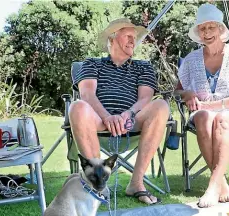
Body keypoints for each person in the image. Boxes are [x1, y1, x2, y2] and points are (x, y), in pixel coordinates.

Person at [69, 18, 169, 205]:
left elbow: (145, 99)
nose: (133, 40)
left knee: (161, 105)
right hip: (98, 121)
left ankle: (136, 183)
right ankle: (97, 185)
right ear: (112, 39)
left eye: (135, 37)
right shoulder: (92, 63)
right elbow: (87, 93)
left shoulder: (143, 66)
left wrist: (127, 114)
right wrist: (107, 117)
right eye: (128, 36)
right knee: (77, 106)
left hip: (132, 121)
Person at [177, 3, 229, 208]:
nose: (206, 33)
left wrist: (215, 106)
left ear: (220, 29)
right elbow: (177, 90)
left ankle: (212, 188)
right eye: (202, 29)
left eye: (211, 27)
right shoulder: (191, 60)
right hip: (203, 110)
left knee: (221, 119)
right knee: (203, 117)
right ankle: (222, 184)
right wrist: (188, 93)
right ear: (198, 33)